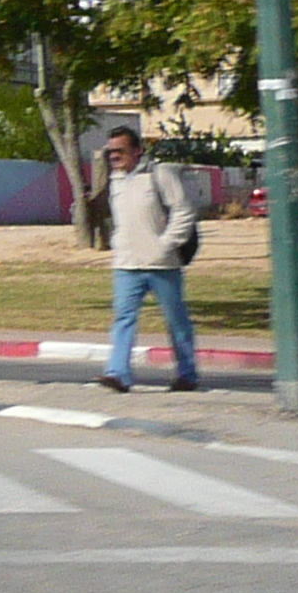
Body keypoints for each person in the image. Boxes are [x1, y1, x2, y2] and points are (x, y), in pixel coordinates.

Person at [99, 125, 201, 395]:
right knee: (123, 318)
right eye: (110, 152)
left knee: (176, 320)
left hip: (162, 265)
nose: (114, 157)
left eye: (119, 151)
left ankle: (187, 374)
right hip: (126, 264)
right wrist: (117, 243)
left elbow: (183, 212)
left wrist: (164, 245)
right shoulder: (116, 181)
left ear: (137, 151)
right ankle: (118, 373)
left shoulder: (160, 174)